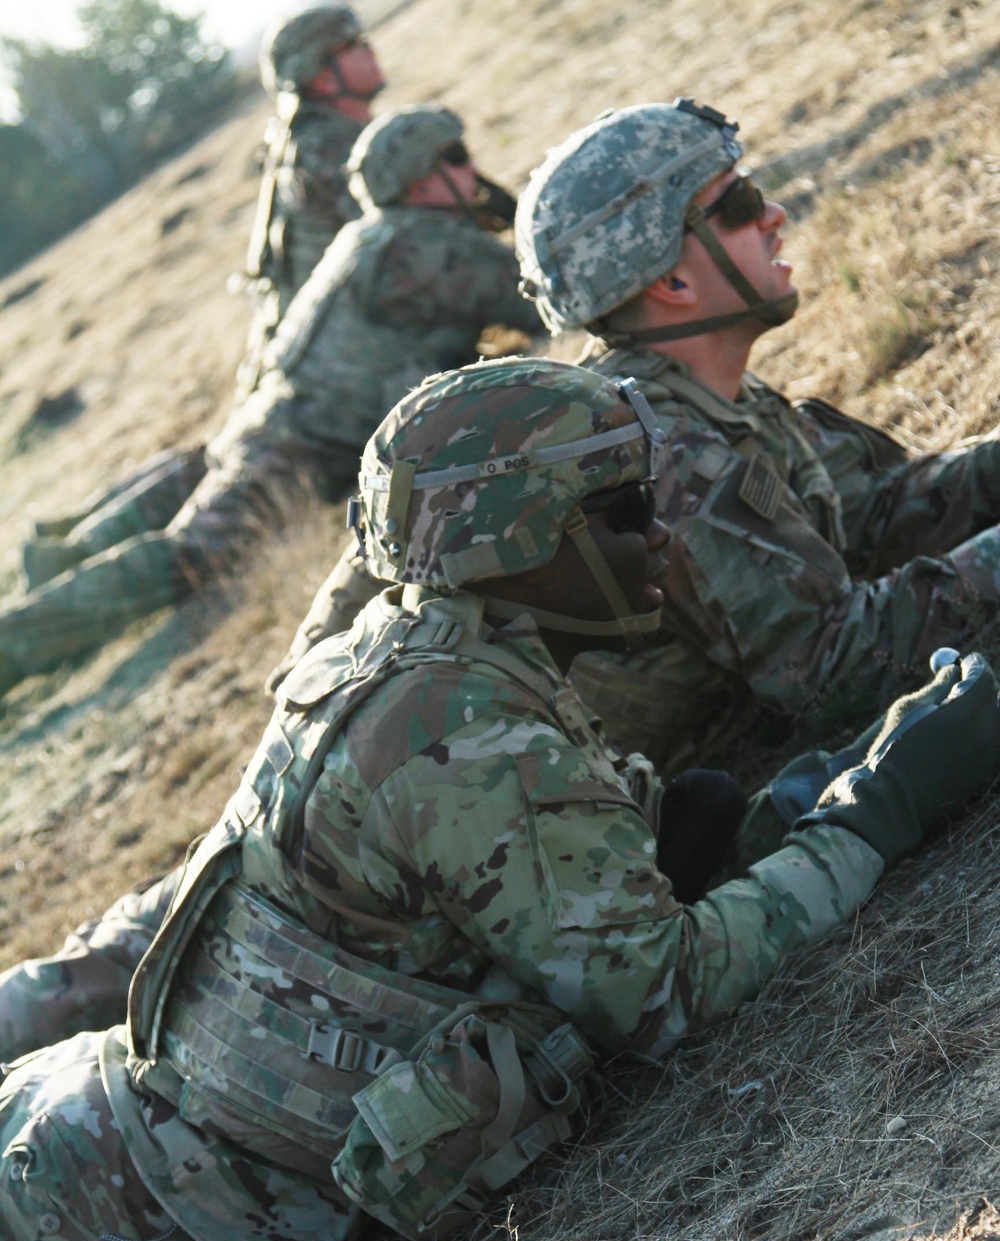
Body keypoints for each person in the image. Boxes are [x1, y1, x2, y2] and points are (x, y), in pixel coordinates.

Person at [1, 356, 998, 1241]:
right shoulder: (457, 724)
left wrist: (830, 777)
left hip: (83, 1140)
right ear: (523, 546)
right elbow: (666, 990)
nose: (663, 535)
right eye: (623, 512)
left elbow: (606, 867)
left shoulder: (435, 658)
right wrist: (876, 812)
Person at [504, 99, 1000, 774]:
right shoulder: (658, 456)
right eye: (740, 204)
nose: (775, 216)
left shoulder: (703, 397)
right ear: (671, 280)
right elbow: (838, 671)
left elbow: (869, 514)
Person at [0, 105, 541, 698]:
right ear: (420, 181)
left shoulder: (369, 232)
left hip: (270, 416)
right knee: (193, 555)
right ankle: (13, 646)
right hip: (301, 445)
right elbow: (539, 296)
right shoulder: (434, 249)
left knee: (201, 475)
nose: (472, 170)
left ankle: (56, 561)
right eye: (456, 159)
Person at [21, 4, 387, 594]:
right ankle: (67, 569)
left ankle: (71, 547)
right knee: (227, 489)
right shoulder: (331, 149)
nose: (369, 50)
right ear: (323, 75)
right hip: (321, 363)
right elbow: (400, 245)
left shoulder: (303, 138)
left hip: (294, 348)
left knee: (217, 459)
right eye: (352, 45)